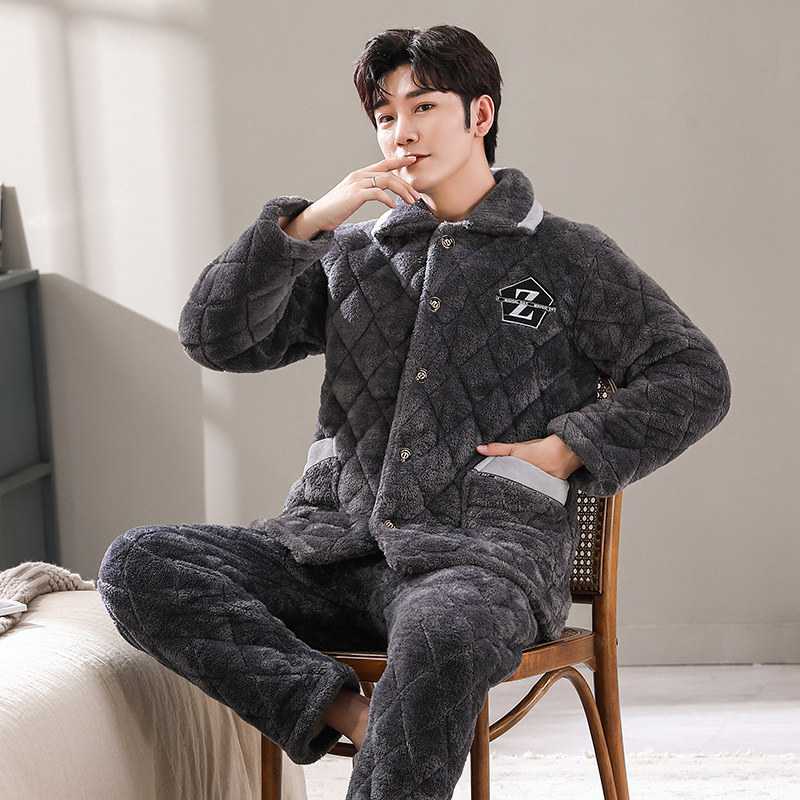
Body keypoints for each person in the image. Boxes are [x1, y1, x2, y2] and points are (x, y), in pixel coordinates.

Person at [98, 25, 730, 800]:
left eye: (424, 106)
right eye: (385, 114)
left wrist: (571, 447)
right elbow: (214, 337)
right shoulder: (353, 255)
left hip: (479, 557)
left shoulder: (568, 257)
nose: (402, 130)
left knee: (440, 632)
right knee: (138, 563)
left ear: (480, 115)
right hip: (329, 547)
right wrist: (309, 223)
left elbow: (694, 375)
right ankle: (350, 716)